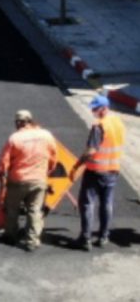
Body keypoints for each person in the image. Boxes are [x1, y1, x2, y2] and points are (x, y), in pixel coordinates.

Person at [0, 110, 57, 251]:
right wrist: (47, 172)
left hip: (18, 180)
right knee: (34, 211)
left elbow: (4, 162)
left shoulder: (15, 138)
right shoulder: (46, 135)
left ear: (18, 122)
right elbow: (53, 157)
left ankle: (10, 236)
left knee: (12, 209)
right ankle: (32, 241)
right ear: (31, 120)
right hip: (39, 180)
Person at [70, 95, 126, 251]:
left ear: (104, 107)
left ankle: (85, 238)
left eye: (95, 108)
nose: (93, 111)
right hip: (113, 170)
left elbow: (91, 151)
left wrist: (77, 165)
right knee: (106, 203)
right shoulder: (117, 122)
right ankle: (103, 236)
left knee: (87, 203)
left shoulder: (99, 126)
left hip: (96, 171)